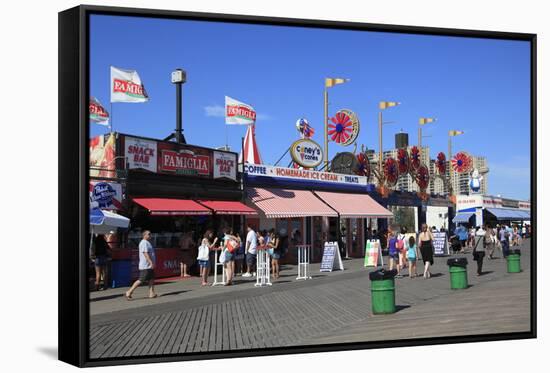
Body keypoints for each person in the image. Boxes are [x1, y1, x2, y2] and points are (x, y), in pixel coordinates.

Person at [125, 230, 157, 300]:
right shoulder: (144, 243)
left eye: (150, 234)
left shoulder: (147, 242)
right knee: (141, 279)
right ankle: (129, 292)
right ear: (144, 235)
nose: (150, 235)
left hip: (149, 265)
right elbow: (145, 253)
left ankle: (151, 293)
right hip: (145, 265)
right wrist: (151, 262)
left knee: (151, 278)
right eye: (148, 234)